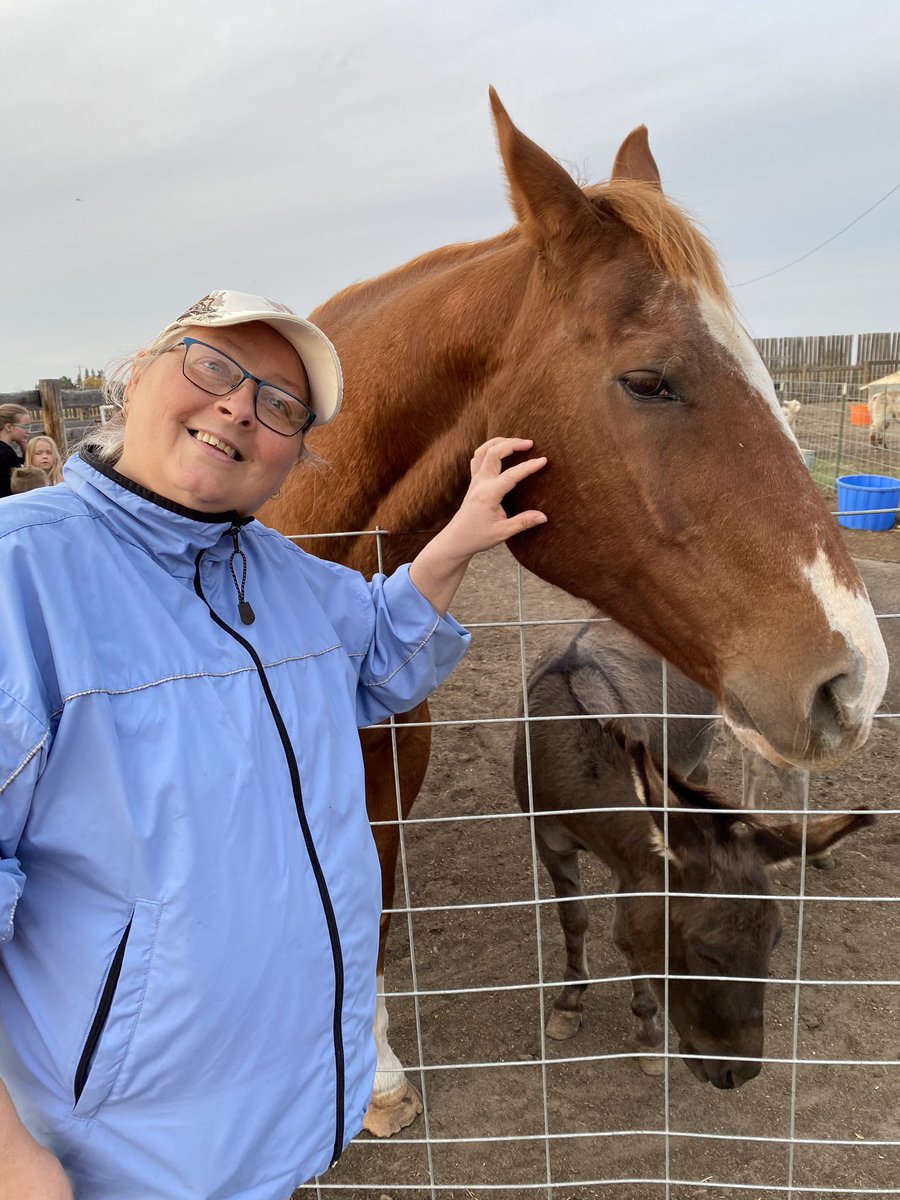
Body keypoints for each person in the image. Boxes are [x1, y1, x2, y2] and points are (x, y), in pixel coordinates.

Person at [0, 290, 547, 1200]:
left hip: (279, 1122)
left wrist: (457, 539)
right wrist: (11, 1158)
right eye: (212, 365)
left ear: (292, 456)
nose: (240, 406)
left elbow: (379, 650)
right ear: (136, 378)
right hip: (108, 1154)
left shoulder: (283, 574)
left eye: (282, 407)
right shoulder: (19, 578)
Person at [0, 404, 31, 498]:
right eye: (25, 427)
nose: (29, 432)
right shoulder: (6, 454)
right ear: (8, 427)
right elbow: (26, 479)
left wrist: (24, 445)